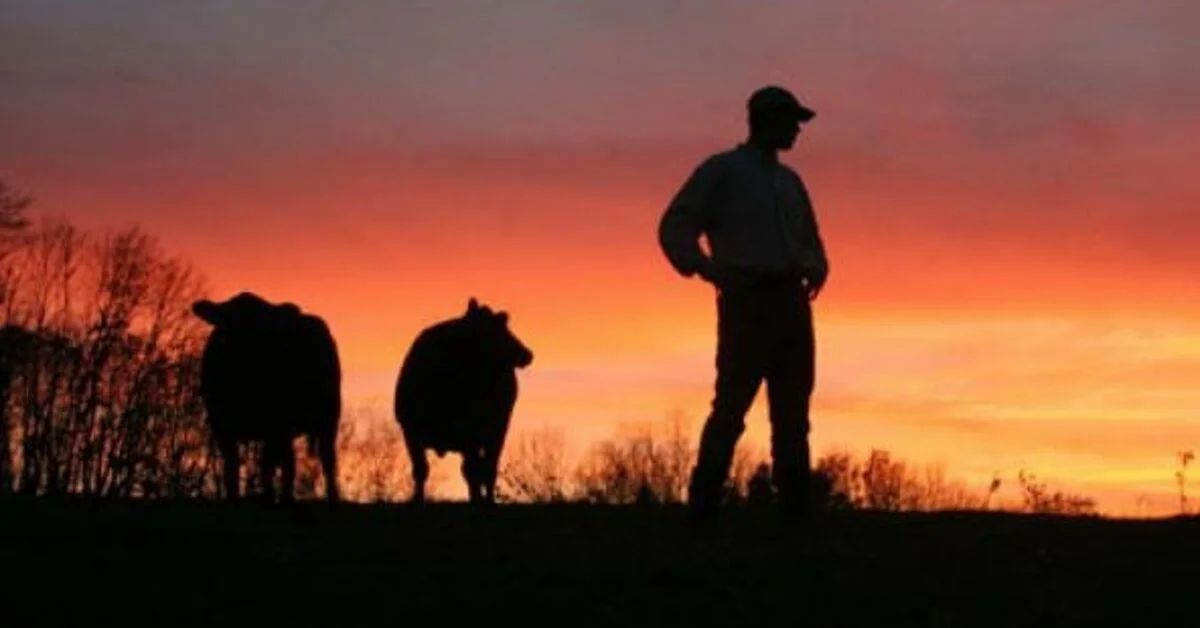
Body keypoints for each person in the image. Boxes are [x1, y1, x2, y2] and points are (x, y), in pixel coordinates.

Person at [657, 84, 829, 530]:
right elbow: (676, 224)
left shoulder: (791, 182)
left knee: (793, 414)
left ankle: (795, 516)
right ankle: (703, 509)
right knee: (731, 407)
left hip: (792, 304)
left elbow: (810, 238)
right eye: (791, 120)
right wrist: (705, 268)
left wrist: (816, 266)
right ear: (766, 120)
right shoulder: (724, 171)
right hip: (747, 302)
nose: (797, 130)